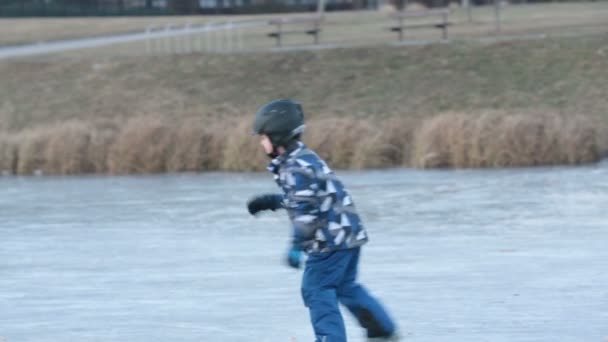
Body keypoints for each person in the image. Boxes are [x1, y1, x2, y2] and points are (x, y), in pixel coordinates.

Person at [246, 99, 398, 341]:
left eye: (263, 137)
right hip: (348, 234)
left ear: (278, 137)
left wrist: (296, 246)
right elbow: (308, 198)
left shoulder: (293, 168)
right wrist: (274, 201)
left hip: (327, 243)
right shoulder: (304, 158)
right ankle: (382, 327)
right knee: (346, 287)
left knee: (316, 290)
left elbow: (305, 212)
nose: (261, 143)